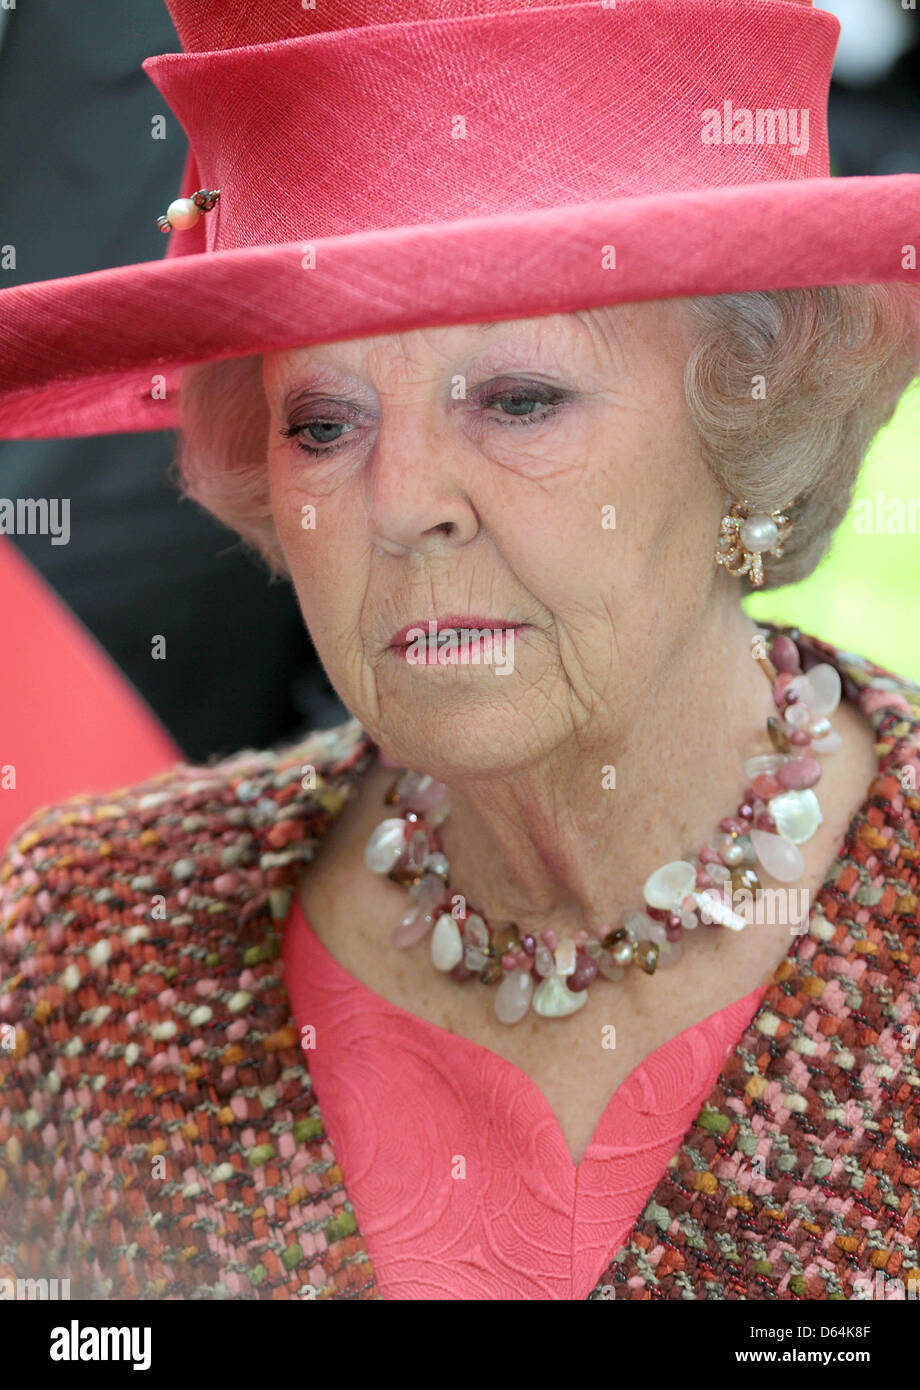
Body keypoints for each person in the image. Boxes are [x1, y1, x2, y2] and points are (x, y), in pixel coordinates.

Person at [1, 0, 919, 1302]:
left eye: (519, 399)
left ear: (748, 429)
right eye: (323, 421)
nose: (400, 501)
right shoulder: (95, 948)